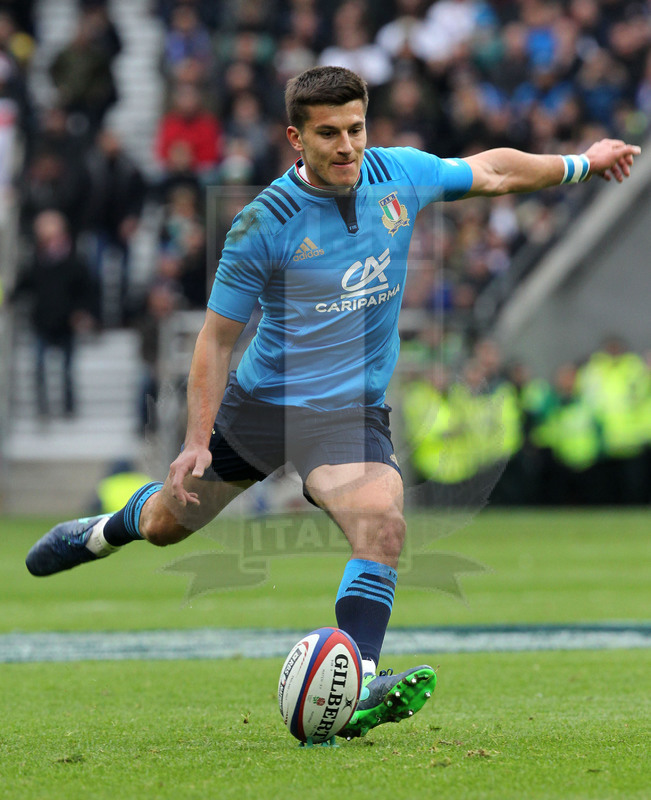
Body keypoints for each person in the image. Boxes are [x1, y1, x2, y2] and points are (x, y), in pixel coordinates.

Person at [25, 66, 641, 739]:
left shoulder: (398, 174)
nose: (347, 145)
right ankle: (101, 532)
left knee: (382, 523)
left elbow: (491, 171)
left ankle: (360, 684)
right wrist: (197, 440)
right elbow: (215, 339)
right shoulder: (261, 224)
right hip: (262, 408)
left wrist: (582, 163)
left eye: (355, 128)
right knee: (168, 524)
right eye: (328, 134)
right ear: (296, 138)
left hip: (349, 413)